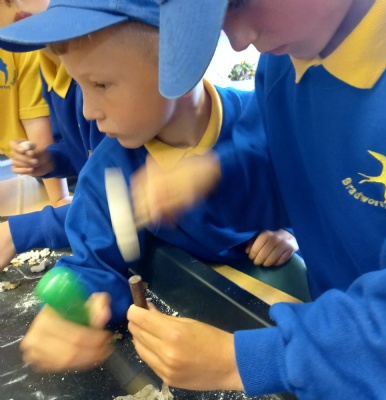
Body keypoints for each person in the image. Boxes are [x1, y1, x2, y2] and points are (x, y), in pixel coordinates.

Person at [0, 0, 300, 374]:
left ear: (179, 66)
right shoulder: (108, 172)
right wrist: (69, 308)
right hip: (198, 310)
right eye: (79, 84)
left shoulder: (267, 119)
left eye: (101, 84)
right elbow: (96, 260)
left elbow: (309, 192)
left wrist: (290, 231)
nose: (88, 110)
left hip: (280, 316)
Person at [120, 0, 386, 399]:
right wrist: (216, 175)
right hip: (339, 350)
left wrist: (240, 360)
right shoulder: (286, 60)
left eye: (240, 2)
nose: (238, 41)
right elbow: (283, 169)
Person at [0, 48, 105, 270]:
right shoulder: (49, 68)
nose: (88, 112)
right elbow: (79, 148)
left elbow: (111, 206)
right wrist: (50, 160)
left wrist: (17, 232)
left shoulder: (93, 68)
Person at [0, 0, 70, 207]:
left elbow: (36, 121)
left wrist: (59, 197)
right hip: (44, 162)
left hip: (52, 162)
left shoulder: (21, 45)